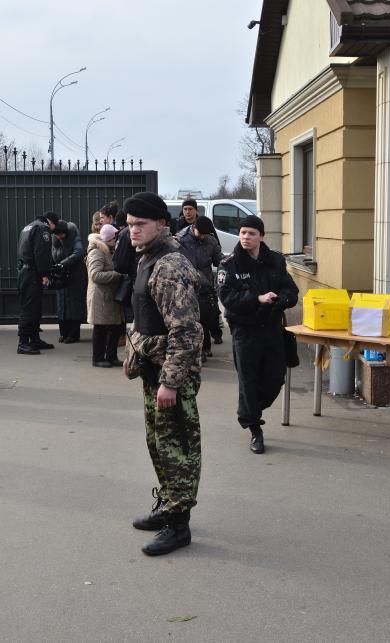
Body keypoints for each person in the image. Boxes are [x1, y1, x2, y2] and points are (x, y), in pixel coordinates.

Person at [123, 191, 202, 556]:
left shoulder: (169, 265)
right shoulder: (148, 258)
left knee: (177, 450)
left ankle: (179, 525)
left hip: (171, 377)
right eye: (129, 225)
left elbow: (185, 331)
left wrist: (171, 382)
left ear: (161, 224)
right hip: (153, 371)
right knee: (158, 445)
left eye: (140, 225)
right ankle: (169, 506)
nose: (133, 231)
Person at [218, 215, 299, 454]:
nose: (246, 237)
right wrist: (257, 299)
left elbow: (291, 289)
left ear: (261, 236)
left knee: (276, 378)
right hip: (245, 331)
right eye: (243, 232)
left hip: (272, 329)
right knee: (248, 380)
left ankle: (251, 409)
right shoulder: (229, 264)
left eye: (251, 233)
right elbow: (227, 298)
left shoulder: (275, 260)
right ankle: (254, 428)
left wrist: (282, 299)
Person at [175, 215, 224, 361]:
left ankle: (206, 346)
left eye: (205, 234)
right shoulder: (180, 240)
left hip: (206, 284)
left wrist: (225, 261)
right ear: (194, 228)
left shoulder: (211, 240)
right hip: (187, 285)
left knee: (208, 316)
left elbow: (218, 259)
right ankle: (197, 350)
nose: (203, 237)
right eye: (200, 234)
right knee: (192, 319)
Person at [16, 210, 59, 355]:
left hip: (25, 271)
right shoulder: (43, 228)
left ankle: (34, 339)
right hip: (32, 273)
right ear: (51, 222)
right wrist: (44, 274)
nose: (53, 231)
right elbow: (41, 253)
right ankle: (23, 343)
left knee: (33, 307)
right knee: (30, 308)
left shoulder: (28, 227)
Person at [86, 223, 123, 367]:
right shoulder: (97, 252)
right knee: (100, 328)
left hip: (109, 295)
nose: (117, 240)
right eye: (115, 237)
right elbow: (95, 275)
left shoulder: (109, 250)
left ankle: (111, 356)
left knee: (115, 327)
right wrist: (117, 275)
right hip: (100, 296)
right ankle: (98, 358)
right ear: (109, 238)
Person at [51, 220, 87, 343]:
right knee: (62, 306)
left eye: (61, 234)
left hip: (75, 277)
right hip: (62, 276)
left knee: (74, 306)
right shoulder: (55, 240)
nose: (58, 237)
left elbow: (79, 253)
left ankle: (73, 334)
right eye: (56, 235)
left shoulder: (74, 238)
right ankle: (64, 333)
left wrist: (62, 264)